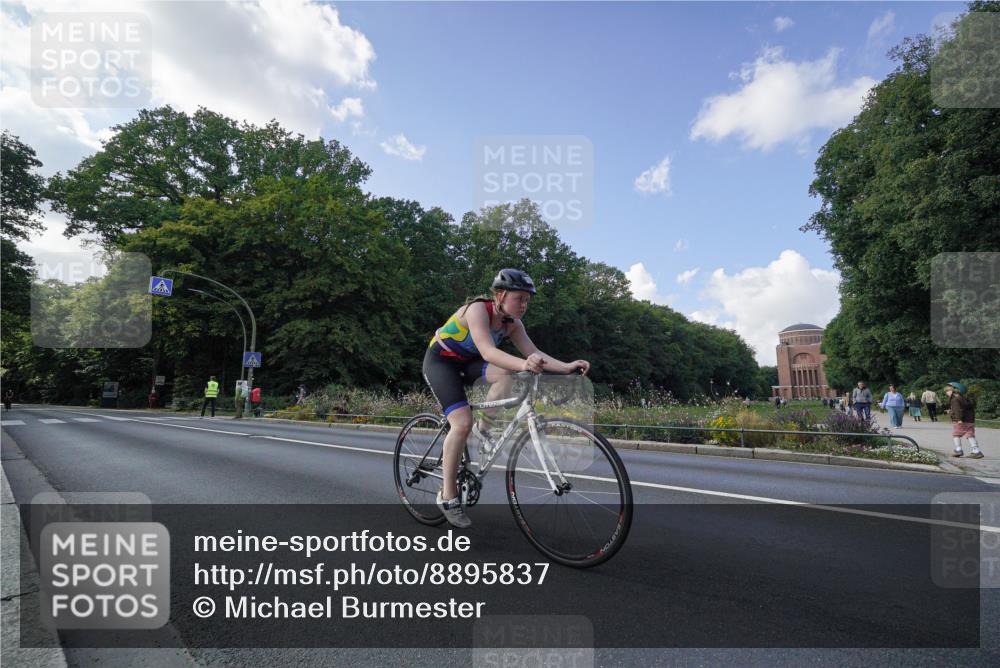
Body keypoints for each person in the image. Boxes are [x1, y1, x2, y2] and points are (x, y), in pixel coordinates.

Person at [423, 269, 589, 528]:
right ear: (500, 295)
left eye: (527, 300)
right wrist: (525, 364)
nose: (523, 305)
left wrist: (566, 366)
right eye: (518, 298)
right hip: (441, 362)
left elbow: (535, 352)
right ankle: (447, 497)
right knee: (461, 423)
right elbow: (489, 352)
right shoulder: (478, 310)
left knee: (506, 377)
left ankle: (484, 430)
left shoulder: (513, 324)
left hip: (468, 363)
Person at [945, 382, 983, 458]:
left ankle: (958, 450)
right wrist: (951, 411)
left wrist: (959, 419)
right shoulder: (964, 398)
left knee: (956, 434)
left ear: (955, 391)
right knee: (970, 435)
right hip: (970, 420)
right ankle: (976, 451)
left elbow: (958, 410)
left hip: (961, 421)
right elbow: (965, 409)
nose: (946, 393)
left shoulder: (954, 399)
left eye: (948, 390)